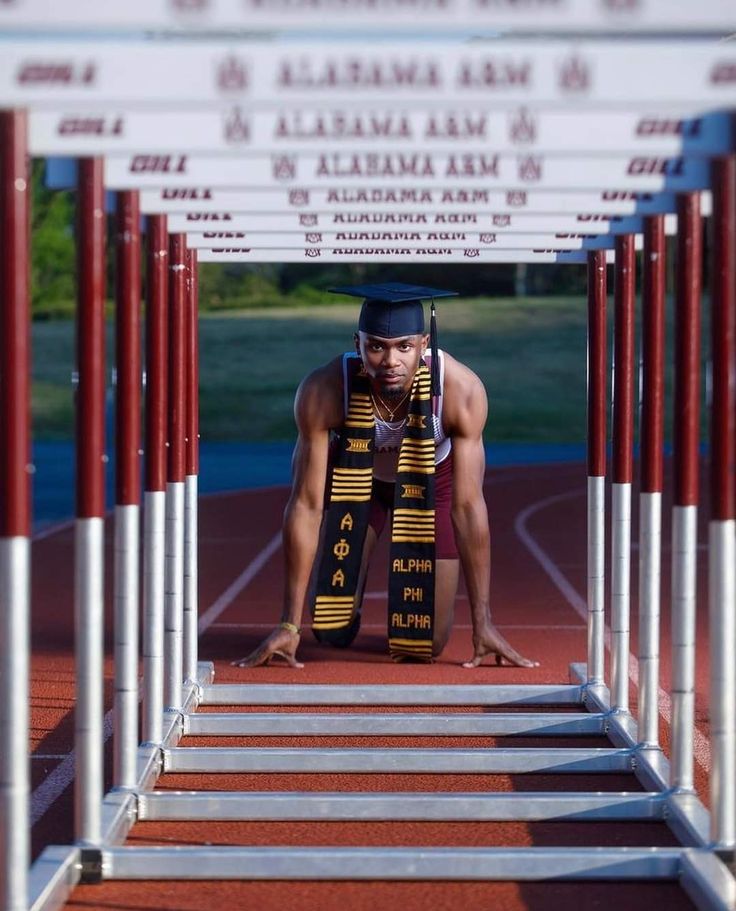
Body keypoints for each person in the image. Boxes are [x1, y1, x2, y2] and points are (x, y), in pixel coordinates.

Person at [232, 282, 538, 670]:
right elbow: (306, 505)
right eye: (376, 346)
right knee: (330, 628)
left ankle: (423, 619)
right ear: (357, 344)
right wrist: (289, 623)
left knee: (425, 645)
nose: (390, 360)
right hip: (357, 482)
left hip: (433, 486)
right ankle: (347, 600)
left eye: (404, 347)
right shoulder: (324, 389)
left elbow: (468, 506)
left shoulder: (461, 391)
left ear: (424, 344)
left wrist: (483, 622)